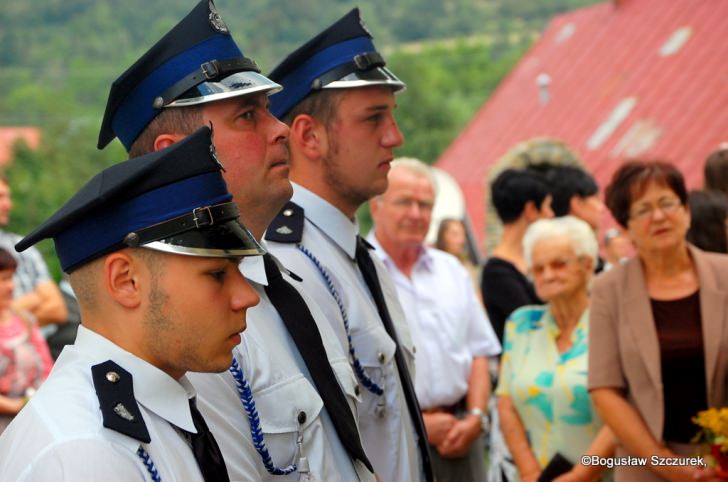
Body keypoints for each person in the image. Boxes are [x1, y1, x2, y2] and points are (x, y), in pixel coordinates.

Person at [97, 2, 373, 480]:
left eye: (269, 111)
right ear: (179, 155)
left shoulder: (291, 281)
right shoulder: (178, 322)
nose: (280, 129)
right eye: (248, 116)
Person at [0, 127, 263, 481]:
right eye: (217, 274)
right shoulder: (85, 456)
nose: (247, 296)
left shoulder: (153, 411)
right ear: (126, 281)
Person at [265, 8, 434, 481]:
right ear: (309, 136)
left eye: (392, 117)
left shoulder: (359, 256)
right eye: (373, 119)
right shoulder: (288, 264)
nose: (394, 137)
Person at [589, 160, 728, 482]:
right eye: (643, 210)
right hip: (645, 466)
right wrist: (667, 464)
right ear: (626, 227)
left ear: (686, 211)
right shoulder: (608, 290)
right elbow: (605, 389)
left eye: (667, 203)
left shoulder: (724, 274)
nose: (659, 216)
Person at [369, 158, 501, 481]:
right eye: (404, 202)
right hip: (391, 444)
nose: (416, 214)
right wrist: (415, 423)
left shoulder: (452, 270)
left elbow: (479, 351)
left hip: (463, 437)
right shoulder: (357, 273)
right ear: (376, 205)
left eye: (425, 204)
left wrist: (476, 415)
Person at [497, 216, 614, 482]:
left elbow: (626, 410)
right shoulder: (521, 323)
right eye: (538, 269)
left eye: (559, 264)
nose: (548, 275)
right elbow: (506, 404)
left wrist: (581, 474)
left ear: (587, 264)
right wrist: (529, 473)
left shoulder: (613, 323)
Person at [481, 168, 554, 344]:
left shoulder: (533, 262)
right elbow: (535, 326)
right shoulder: (497, 273)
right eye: (546, 206)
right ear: (530, 210)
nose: (551, 214)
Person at [0, 174, 67, 327]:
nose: (8, 205)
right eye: (0, 197)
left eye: (8, 197)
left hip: (35, 348)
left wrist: (7, 319)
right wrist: (33, 299)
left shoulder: (22, 247)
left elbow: (57, 310)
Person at [0, 247, 53, 433]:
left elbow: (46, 366)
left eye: (11, 278)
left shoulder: (24, 320)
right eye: (3, 279)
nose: (11, 286)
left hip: (31, 419)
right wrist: (15, 405)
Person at [435, 218, 480, 286]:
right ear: (442, 236)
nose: (461, 240)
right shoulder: (432, 265)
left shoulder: (466, 267)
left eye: (463, 235)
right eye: (455, 235)